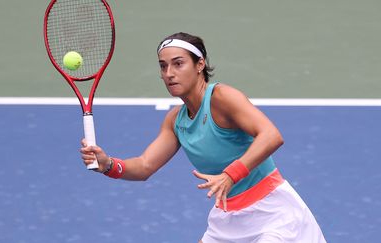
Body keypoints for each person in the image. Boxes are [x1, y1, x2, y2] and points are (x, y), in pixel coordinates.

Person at [80, 32, 326, 243]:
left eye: (178, 64)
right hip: (229, 216)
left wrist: (231, 175)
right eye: (163, 66)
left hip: (273, 212)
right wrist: (109, 165)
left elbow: (272, 135)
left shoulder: (222, 98)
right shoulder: (175, 121)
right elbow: (144, 166)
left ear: (200, 65)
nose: (169, 73)